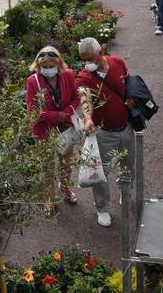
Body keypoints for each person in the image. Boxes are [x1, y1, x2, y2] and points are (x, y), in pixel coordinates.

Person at [76, 37, 135, 228]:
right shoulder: (84, 77)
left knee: (128, 165)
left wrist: (132, 97)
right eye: (84, 60)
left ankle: (124, 191)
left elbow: (129, 84)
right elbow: (85, 99)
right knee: (100, 172)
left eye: (90, 58)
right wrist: (88, 118)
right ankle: (102, 208)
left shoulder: (117, 62)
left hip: (126, 128)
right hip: (104, 133)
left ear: (100, 51)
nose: (88, 64)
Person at [25, 46, 81, 212]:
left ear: (58, 64)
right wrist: (58, 116)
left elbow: (76, 97)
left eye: (51, 66)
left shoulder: (68, 75)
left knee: (66, 163)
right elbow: (33, 111)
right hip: (43, 130)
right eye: (44, 67)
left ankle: (65, 189)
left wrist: (65, 113)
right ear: (38, 66)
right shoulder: (32, 81)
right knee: (47, 165)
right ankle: (49, 198)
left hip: (65, 128)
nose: (48, 70)